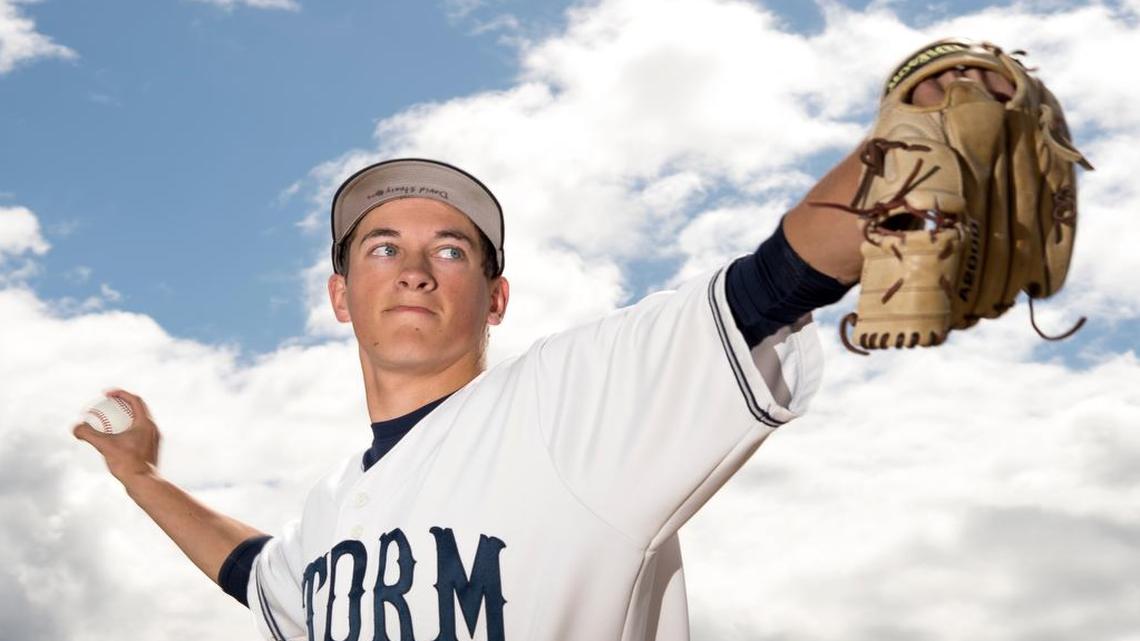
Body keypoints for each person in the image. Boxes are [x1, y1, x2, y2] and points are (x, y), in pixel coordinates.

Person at [74, 68, 1015, 641]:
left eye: (451, 250)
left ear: (496, 298)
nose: (414, 269)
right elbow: (257, 574)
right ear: (339, 297)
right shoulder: (332, 511)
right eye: (382, 247)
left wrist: (922, 140)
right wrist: (140, 476)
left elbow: (772, 282)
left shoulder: (563, 405)